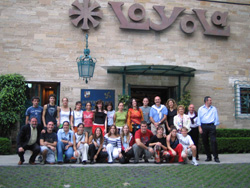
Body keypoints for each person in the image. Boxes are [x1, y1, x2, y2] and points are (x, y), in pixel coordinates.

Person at [197, 96, 220, 163]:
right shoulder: (201, 109)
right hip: (204, 126)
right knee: (205, 141)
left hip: (211, 126)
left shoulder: (214, 109)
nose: (211, 101)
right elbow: (199, 118)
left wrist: (214, 125)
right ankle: (208, 156)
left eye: (211, 100)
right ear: (206, 101)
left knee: (213, 141)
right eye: (210, 100)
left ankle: (216, 157)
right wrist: (200, 127)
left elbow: (216, 117)